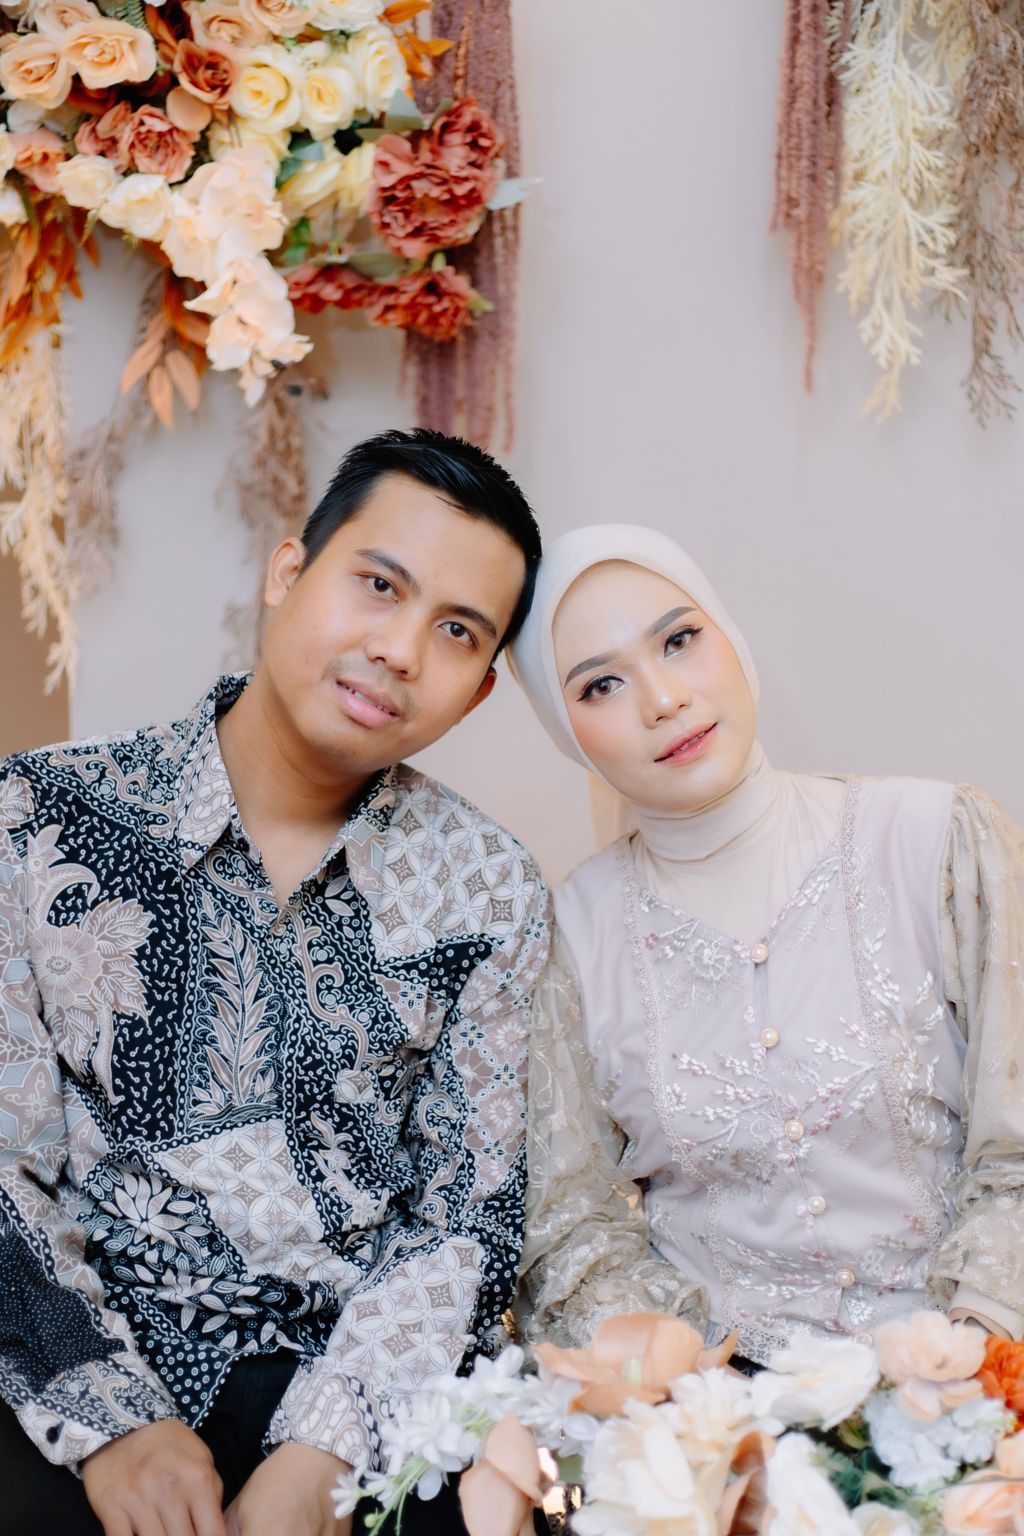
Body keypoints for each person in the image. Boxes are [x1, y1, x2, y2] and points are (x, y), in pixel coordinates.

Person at [0, 429, 550, 1536]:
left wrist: (323, 1453)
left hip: (356, 1380)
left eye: (455, 631)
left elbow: (465, 1214)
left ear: (480, 690)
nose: (398, 650)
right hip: (78, 1349)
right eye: (379, 585)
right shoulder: (37, 813)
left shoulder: (490, 888)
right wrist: (115, 1425)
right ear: (287, 571)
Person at [509, 523, 1024, 1364]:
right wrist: (698, 1395)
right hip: (717, 1408)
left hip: (980, 1373)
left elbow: (1018, 1153)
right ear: (564, 731)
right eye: (601, 685)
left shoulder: (939, 844)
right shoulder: (569, 940)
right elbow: (571, 1230)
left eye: (679, 640)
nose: (662, 700)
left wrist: (966, 1367)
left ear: (730, 636)